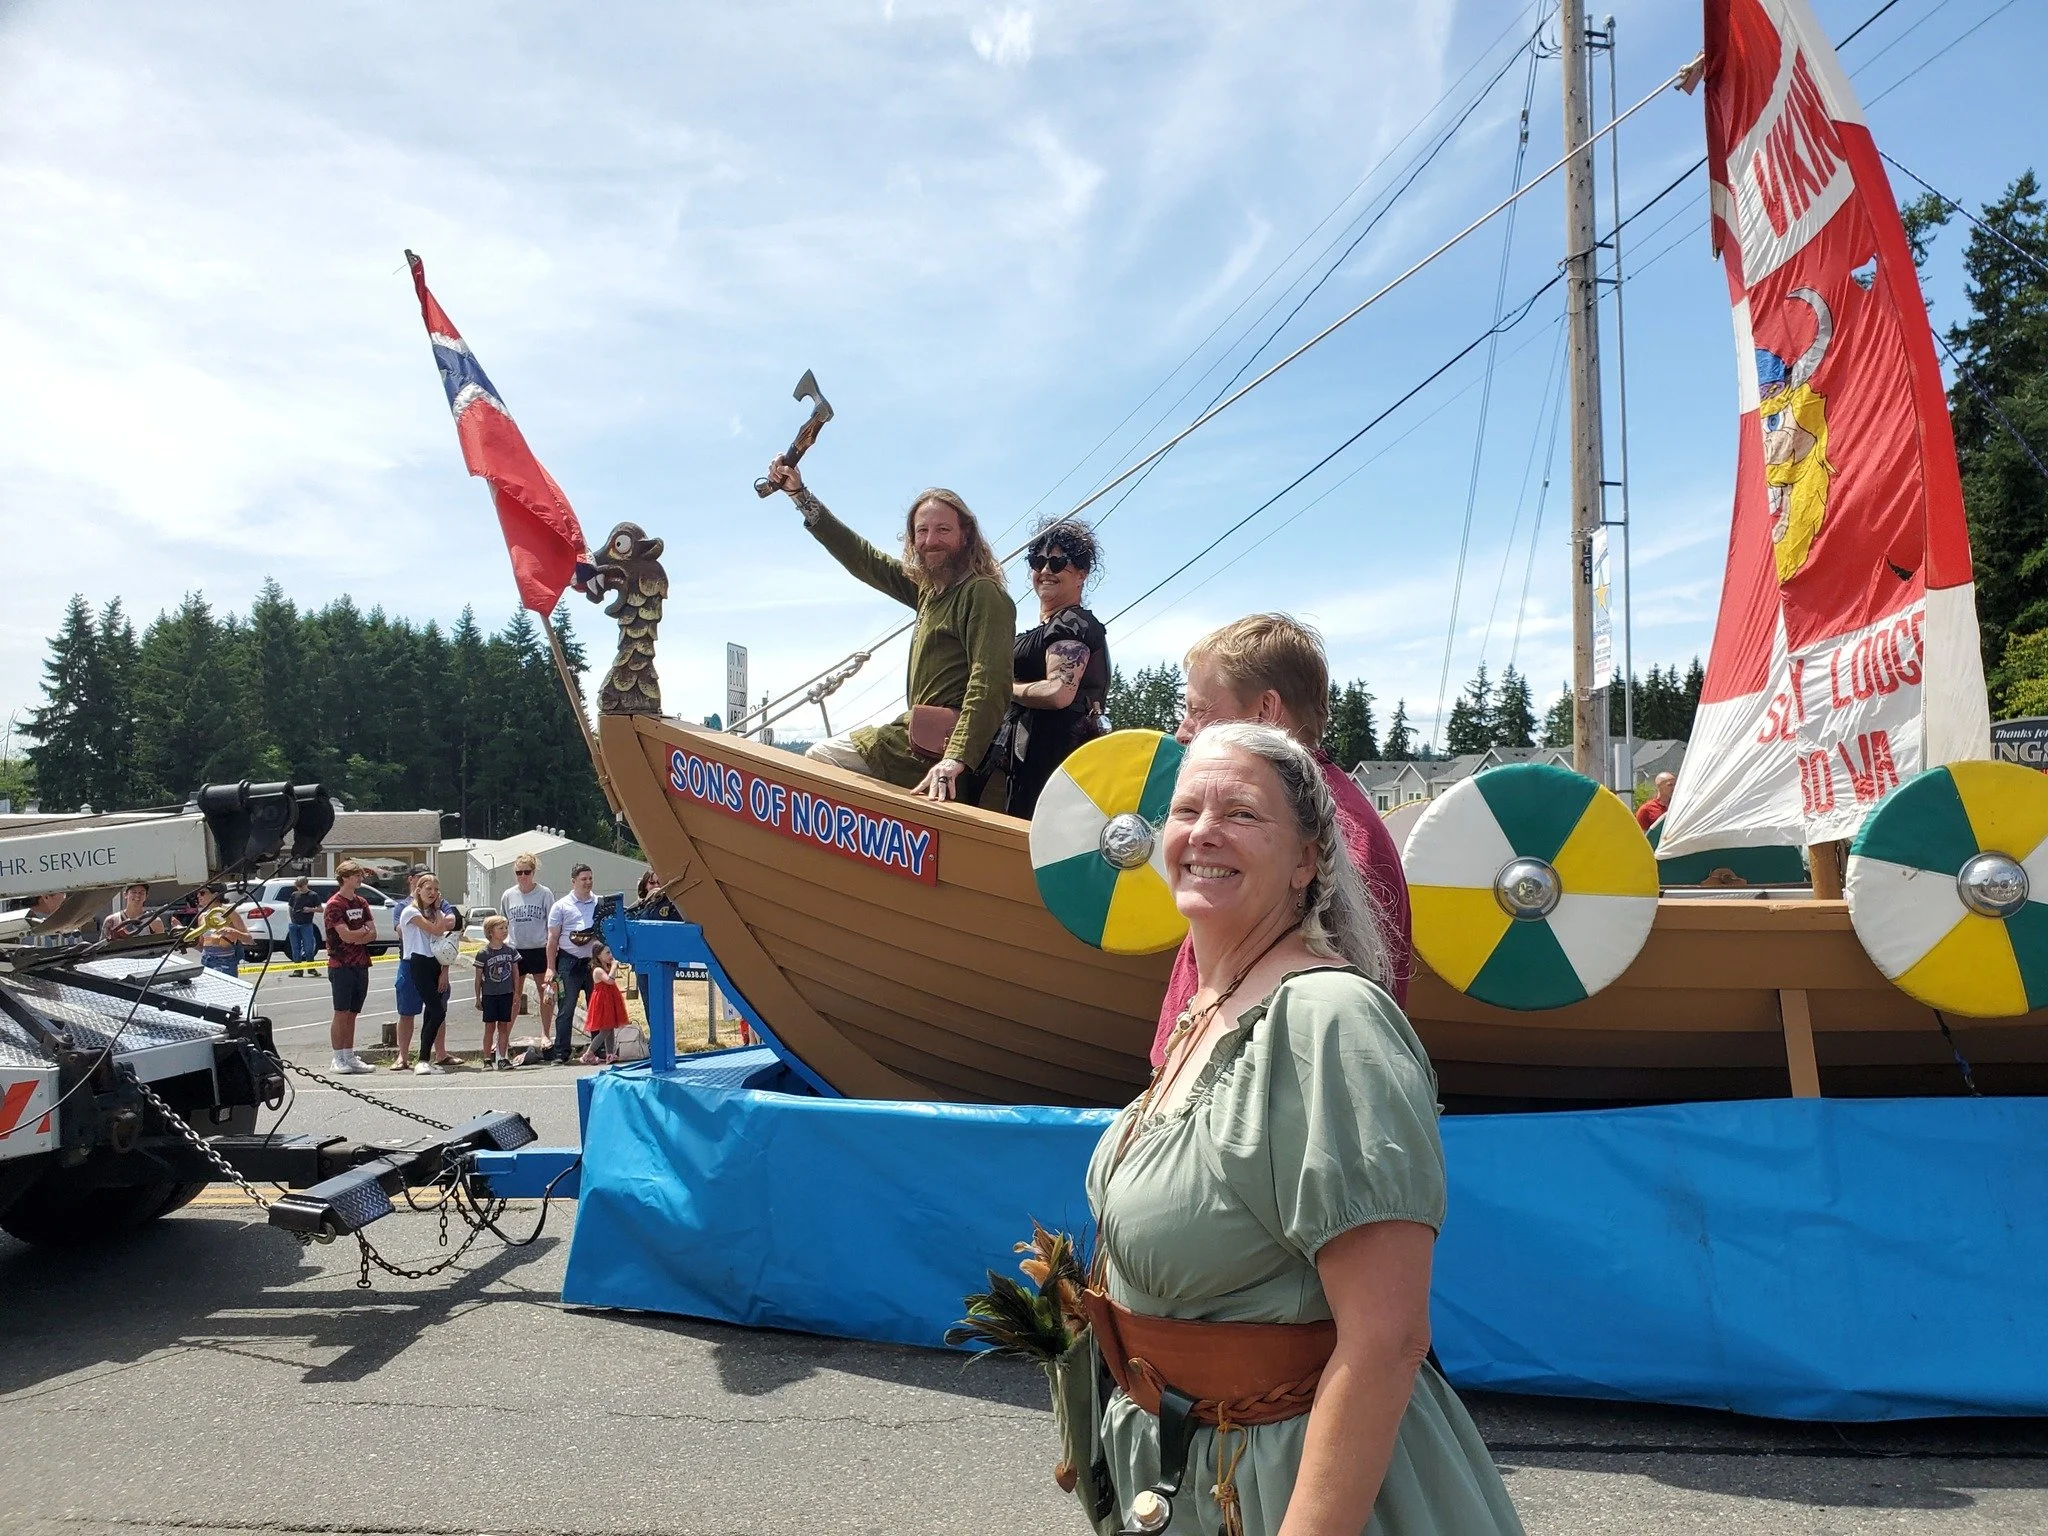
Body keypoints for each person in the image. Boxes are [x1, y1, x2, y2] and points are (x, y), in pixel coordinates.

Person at [1084, 721, 1523, 1536]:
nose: (1203, 832)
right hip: (1193, 1473)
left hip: (1287, 1487)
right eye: (1186, 811)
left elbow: (1388, 1337)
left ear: (1307, 859)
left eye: (1241, 813)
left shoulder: (1330, 1021)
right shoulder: (1210, 1008)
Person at [1150, 614, 1413, 1066]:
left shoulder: (1334, 831)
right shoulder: (1320, 817)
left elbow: (1325, 1046)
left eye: (1198, 709)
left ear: (1265, 711)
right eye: (1187, 812)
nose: (1183, 730)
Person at [765, 459, 1015, 803]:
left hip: (941, 750)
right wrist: (800, 496)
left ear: (966, 535)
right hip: (917, 739)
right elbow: (865, 559)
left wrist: (955, 757)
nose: (931, 540)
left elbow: (990, 682)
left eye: (943, 530)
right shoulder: (930, 591)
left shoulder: (981, 593)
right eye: (922, 531)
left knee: (822, 757)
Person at [996, 519, 1110, 819]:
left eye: (1058, 562)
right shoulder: (1047, 628)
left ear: (1081, 574)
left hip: (1049, 760)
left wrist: (1002, 688)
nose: (1046, 570)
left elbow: (1059, 692)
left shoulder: (1073, 623)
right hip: (1024, 759)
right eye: (1038, 562)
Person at [399, 873, 462, 1076]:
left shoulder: (435, 912)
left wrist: (444, 971)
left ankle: (424, 1059)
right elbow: (437, 930)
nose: (432, 893)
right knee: (436, 1011)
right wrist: (439, 911)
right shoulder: (410, 911)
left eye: (436, 890)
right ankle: (421, 1059)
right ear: (418, 890)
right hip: (418, 961)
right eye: (428, 889)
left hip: (435, 961)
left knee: (433, 1011)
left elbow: (446, 932)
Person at [323, 861, 379, 1075]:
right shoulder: (334, 905)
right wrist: (360, 933)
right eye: (356, 875)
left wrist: (359, 936)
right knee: (341, 1012)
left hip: (361, 963)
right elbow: (344, 935)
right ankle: (337, 1057)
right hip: (341, 965)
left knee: (353, 1013)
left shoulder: (361, 902)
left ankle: (349, 1055)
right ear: (345, 878)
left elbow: (373, 933)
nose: (360, 879)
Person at [544, 864, 600, 1065]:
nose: (588, 882)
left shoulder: (599, 903)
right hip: (569, 961)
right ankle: (561, 1052)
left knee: (597, 1007)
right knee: (566, 1008)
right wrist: (551, 967)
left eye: (590, 878)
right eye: (583, 879)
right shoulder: (561, 906)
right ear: (573, 881)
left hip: (593, 962)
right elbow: (552, 938)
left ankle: (598, 1049)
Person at [499, 854, 556, 1025]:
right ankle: (504, 1036)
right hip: (516, 950)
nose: (523, 876)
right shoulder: (508, 895)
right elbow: (502, 923)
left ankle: (545, 1033)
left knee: (545, 992)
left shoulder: (544, 894)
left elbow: (552, 924)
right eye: (519, 872)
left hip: (539, 949)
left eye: (527, 872)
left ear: (533, 872)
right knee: (514, 995)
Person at [473, 916, 521, 1072]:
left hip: (506, 993)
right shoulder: (483, 953)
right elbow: (478, 977)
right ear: (490, 932)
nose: (505, 931)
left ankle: (502, 1057)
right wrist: (478, 997)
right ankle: (487, 1058)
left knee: (503, 1026)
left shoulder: (510, 951)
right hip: (490, 994)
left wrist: (516, 992)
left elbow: (515, 972)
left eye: (506, 928)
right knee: (489, 1027)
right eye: (501, 928)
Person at [580, 942, 627, 1065]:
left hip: (610, 999)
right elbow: (609, 980)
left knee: (610, 1027)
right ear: (599, 955)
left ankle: (610, 1054)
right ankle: (588, 1054)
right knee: (605, 1030)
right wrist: (614, 967)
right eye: (607, 953)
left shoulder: (607, 967)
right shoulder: (598, 970)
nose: (610, 955)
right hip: (602, 1001)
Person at [189, 885, 251, 978]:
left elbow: (249, 939)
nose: (198, 896)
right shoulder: (202, 917)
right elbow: (201, 946)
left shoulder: (230, 913)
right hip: (206, 961)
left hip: (225, 962)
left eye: (202, 893)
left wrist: (232, 932)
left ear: (215, 894)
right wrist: (188, 941)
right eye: (197, 893)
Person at [285, 876, 323, 977]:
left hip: (306, 924)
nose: (299, 888)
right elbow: (290, 907)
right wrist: (292, 918)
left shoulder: (313, 895)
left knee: (309, 947)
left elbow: (320, 909)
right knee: (295, 948)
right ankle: (298, 970)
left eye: (301, 886)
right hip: (294, 925)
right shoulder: (294, 894)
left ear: (306, 884)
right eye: (298, 886)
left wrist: (310, 909)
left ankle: (311, 968)